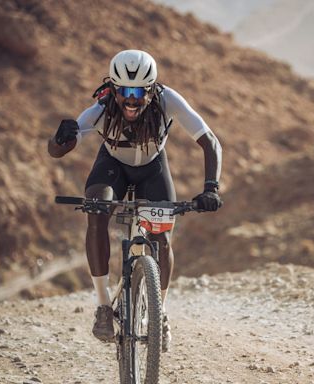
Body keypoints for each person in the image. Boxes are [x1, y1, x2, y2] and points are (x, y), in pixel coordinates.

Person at [48, 49, 222, 351]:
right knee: (98, 209)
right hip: (112, 167)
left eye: (139, 91)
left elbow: (210, 142)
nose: (131, 99)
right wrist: (59, 138)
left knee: (162, 236)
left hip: (153, 169)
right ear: (114, 88)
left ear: (152, 88)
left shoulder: (169, 100)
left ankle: (160, 313)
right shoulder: (101, 109)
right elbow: (58, 150)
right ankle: (103, 307)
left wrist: (211, 187)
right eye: (124, 91)